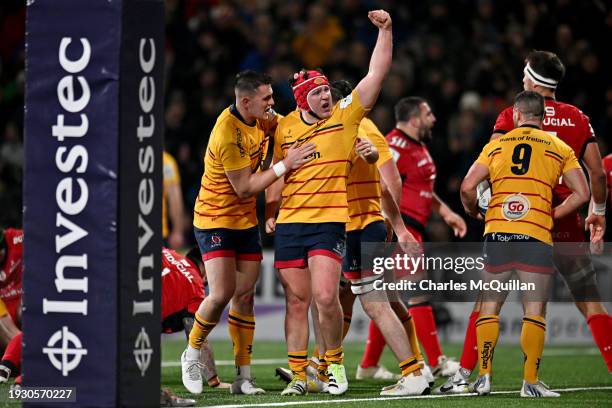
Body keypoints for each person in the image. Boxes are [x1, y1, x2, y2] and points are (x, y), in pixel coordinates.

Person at [438, 51, 611, 394]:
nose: (521, 80)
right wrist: (599, 213)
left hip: (513, 220)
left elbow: (489, 168)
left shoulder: (509, 116)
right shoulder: (577, 118)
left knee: (488, 302)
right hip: (559, 221)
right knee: (587, 298)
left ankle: (470, 375)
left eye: (523, 76)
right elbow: (596, 174)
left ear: (532, 82)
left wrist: (484, 209)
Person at [264, 10, 394, 396]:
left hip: (330, 222)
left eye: (327, 91)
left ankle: (333, 364)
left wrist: (386, 31)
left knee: (325, 296)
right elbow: (276, 171)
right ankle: (300, 377)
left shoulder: (345, 115)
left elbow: (376, 75)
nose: (327, 96)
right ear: (303, 99)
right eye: (318, 92)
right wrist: (271, 211)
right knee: (296, 302)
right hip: (290, 223)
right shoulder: (283, 126)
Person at [181, 70, 316, 395]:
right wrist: (287, 165)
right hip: (214, 219)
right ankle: (193, 351)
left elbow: (287, 127)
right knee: (221, 293)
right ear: (245, 101)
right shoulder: (228, 133)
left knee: (245, 296)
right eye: (266, 98)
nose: (272, 103)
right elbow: (244, 188)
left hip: (244, 223)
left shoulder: (263, 119)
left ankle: (243, 378)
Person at [459, 90, 590, 397]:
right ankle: (529, 383)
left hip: (498, 232)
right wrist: (553, 214)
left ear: (516, 115)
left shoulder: (496, 145)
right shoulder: (559, 147)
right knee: (534, 309)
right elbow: (583, 193)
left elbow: (467, 186)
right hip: (535, 234)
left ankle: (484, 377)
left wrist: (474, 210)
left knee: (489, 306)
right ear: (543, 118)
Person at [376, 97, 465, 378]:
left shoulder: (415, 147)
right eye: (428, 113)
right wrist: (391, 228)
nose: (434, 118)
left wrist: (446, 211)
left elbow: (419, 188)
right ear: (414, 119)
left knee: (389, 299)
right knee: (417, 292)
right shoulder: (394, 147)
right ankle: (437, 362)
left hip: (409, 227)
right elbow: (381, 186)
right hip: (401, 228)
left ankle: (366, 366)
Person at [163, 150, 189, 249]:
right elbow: (174, 197)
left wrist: (177, 231)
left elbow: (174, 198)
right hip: (157, 233)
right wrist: (177, 231)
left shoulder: (166, 161)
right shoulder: (165, 160)